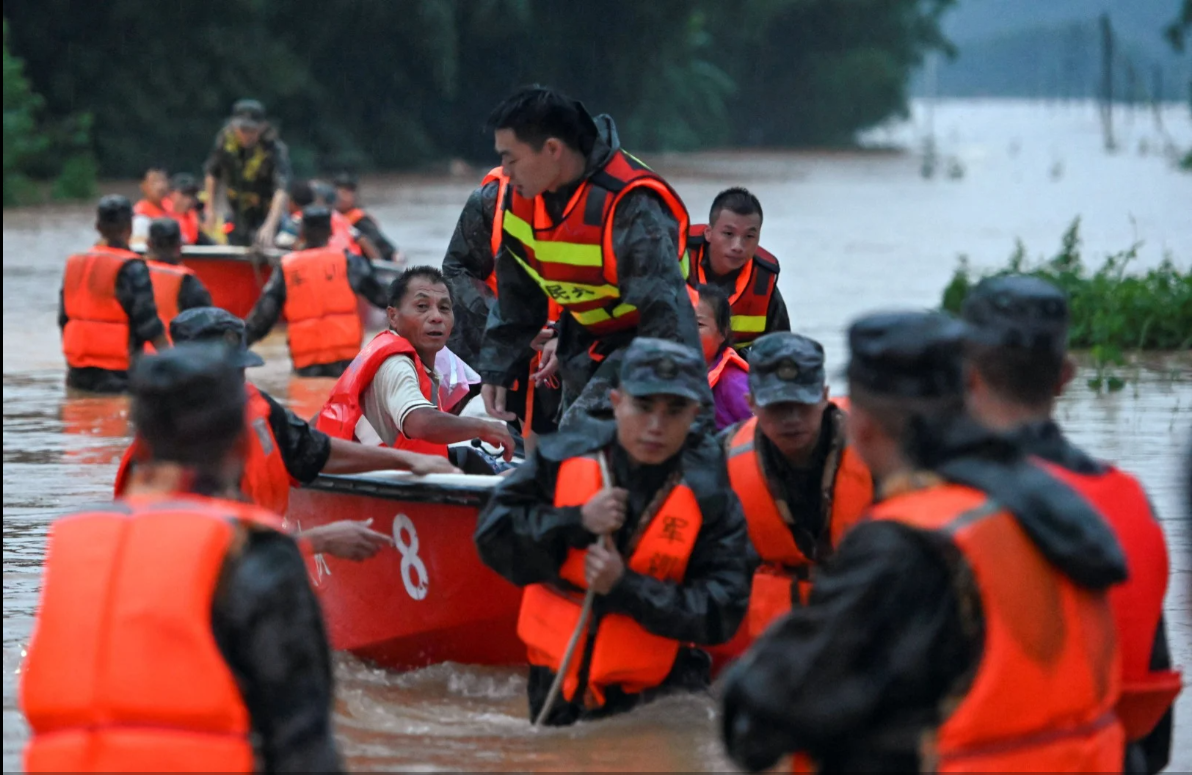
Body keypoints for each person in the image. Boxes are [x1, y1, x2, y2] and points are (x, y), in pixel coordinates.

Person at [721, 311, 1128, 773]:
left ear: (863, 424)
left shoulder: (904, 541)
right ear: (972, 392)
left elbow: (755, 728)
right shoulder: (1061, 507)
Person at [21, 343, 342, 772]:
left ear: (143, 437)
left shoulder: (72, 542)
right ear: (238, 440)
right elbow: (303, 743)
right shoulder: (251, 550)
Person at [961, 275, 1181, 774]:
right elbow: (1150, 689)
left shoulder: (935, 503)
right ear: (1065, 374)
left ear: (964, 375)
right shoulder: (1131, 501)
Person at [475, 337, 753, 726]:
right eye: (644, 406)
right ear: (618, 401)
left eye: (674, 411)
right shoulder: (564, 456)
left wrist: (625, 587)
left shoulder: (710, 490)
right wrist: (575, 522)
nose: (656, 426)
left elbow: (723, 612)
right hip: (555, 691)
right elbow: (492, 540)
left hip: (656, 701)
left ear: (694, 413)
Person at [113, 307, 459, 560]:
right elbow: (204, 565)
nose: (237, 384)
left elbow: (314, 451)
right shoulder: (157, 466)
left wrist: (407, 460)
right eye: (222, 375)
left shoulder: (257, 409)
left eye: (240, 370)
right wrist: (316, 541)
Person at [475, 85, 706, 432]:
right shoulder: (519, 200)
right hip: (582, 335)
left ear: (552, 149)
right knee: (573, 451)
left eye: (512, 160)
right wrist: (497, 368)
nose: (504, 172)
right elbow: (517, 298)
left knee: (579, 434)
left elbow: (666, 316)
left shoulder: (628, 203)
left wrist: (680, 411)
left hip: (646, 337)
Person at [715, 332, 871, 668]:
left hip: (866, 614)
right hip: (779, 634)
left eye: (801, 403)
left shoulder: (877, 447)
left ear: (825, 397)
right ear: (752, 403)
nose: (791, 418)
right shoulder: (723, 454)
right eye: (777, 406)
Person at [317, 266, 516, 469]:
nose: (436, 316)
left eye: (444, 308)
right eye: (422, 306)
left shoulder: (428, 363)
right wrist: (484, 427)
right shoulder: (396, 365)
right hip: (380, 481)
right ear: (393, 317)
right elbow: (419, 422)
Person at [441, 165, 562, 446]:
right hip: (500, 347)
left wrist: (565, 333)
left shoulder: (598, 204)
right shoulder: (490, 199)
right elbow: (457, 270)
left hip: (569, 348)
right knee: (504, 440)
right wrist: (510, 325)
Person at [244, 206, 387, 377]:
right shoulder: (349, 263)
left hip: (307, 368)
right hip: (346, 370)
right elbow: (385, 298)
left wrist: (235, 345)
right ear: (330, 232)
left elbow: (263, 318)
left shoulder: (287, 268)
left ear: (302, 233)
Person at [59, 195, 168, 394]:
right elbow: (148, 324)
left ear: (97, 226)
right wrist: (174, 364)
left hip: (77, 373)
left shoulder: (74, 263)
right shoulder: (132, 267)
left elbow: (63, 319)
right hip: (119, 376)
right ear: (130, 227)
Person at [686, 188, 790, 351]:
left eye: (749, 236)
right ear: (708, 233)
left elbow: (782, 352)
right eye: (728, 233)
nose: (738, 247)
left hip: (734, 369)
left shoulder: (763, 282)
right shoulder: (673, 260)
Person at [203, 99, 291, 248]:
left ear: (262, 127)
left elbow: (281, 189)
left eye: (252, 130)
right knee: (232, 242)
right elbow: (212, 173)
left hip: (265, 210)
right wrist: (210, 209)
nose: (246, 135)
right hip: (237, 208)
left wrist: (270, 226)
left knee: (265, 243)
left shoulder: (274, 149)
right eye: (242, 129)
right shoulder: (225, 140)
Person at [141, 218, 212, 340]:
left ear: (148, 244)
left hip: (134, 353)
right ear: (179, 245)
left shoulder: (133, 273)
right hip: (172, 354)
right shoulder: (187, 282)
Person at [694, 283, 751, 430]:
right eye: (681, 322)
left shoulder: (735, 384)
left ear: (723, 333)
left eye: (698, 324)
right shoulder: (672, 376)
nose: (687, 331)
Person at [333, 172, 400, 262]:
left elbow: (384, 247)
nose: (341, 198)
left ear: (354, 196)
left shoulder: (361, 221)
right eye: (338, 194)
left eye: (346, 193)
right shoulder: (328, 218)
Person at [131, 166, 173, 247]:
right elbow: (138, 245)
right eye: (154, 182)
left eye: (163, 180)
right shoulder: (140, 215)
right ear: (143, 186)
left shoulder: (172, 208)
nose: (160, 186)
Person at [168, 172, 207, 245]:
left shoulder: (192, 216)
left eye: (191, 195)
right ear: (172, 193)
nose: (189, 200)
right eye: (184, 194)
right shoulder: (162, 211)